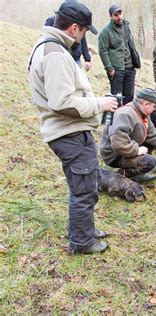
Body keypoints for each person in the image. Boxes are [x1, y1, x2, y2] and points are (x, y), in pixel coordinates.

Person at [28, 1, 118, 253]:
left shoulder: (50, 47)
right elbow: (62, 101)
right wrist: (100, 104)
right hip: (68, 132)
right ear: (74, 28)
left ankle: (83, 229)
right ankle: (82, 241)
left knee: (86, 184)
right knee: (84, 189)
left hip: (70, 130)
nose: (85, 36)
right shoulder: (55, 54)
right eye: (85, 31)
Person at [101, 88, 156, 183]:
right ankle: (122, 175)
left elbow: (153, 134)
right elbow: (118, 143)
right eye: (154, 106)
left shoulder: (141, 113)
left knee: (150, 142)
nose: (155, 109)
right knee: (149, 162)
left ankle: (135, 172)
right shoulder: (125, 114)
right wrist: (137, 150)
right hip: (115, 155)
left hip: (125, 150)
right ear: (146, 104)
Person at [98, 4, 140, 105]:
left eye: (120, 13)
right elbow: (103, 51)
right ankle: (115, 119)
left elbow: (131, 45)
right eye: (115, 15)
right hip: (117, 70)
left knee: (129, 97)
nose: (119, 17)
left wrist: (135, 62)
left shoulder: (126, 27)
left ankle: (126, 118)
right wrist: (109, 69)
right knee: (116, 98)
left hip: (130, 68)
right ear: (111, 16)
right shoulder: (106, 32)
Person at [45, 6, 92, 71]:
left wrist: (87, 59)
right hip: (63, 55)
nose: (83, 36)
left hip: (75, 57)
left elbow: (83, 41)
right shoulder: (56, 56)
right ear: (74, 28)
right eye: (84, 32)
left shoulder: (79, 25)